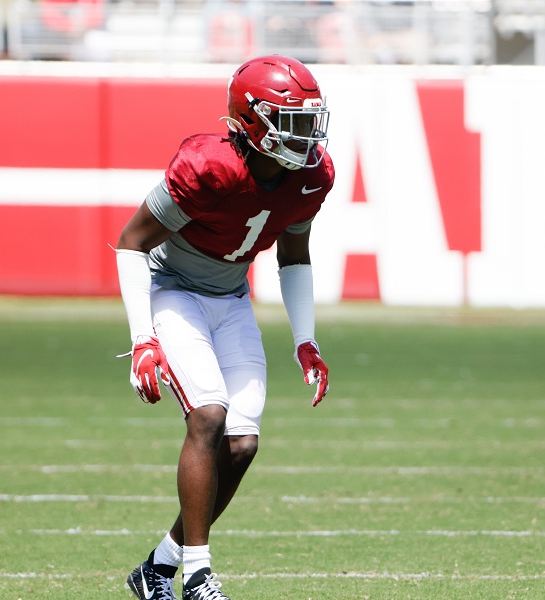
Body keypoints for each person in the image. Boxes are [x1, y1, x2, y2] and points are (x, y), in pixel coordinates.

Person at [117, 54, 333, 600]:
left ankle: (158, 569)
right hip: (175, 291)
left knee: (241, 445)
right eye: (292, 121)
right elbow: (131, 242)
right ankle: (197, 574)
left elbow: (295, 256)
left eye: (309, 120)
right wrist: (142, 338)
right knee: (208, 414)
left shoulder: (312, 176)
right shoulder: (206, 165)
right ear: (252, 121)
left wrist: (304, 338)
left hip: (232, 297)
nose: (305, 135)